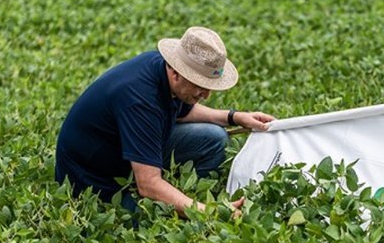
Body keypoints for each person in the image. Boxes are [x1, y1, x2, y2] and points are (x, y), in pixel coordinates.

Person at [55, 26, 274, 217]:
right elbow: (148, 185)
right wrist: (210, 213)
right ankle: (187, 204)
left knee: (214, 137)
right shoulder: (140, 100)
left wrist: (234, 117)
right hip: (92, 180)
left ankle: (186, 197)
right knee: (152, 217)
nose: (205, 94)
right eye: (200, 85)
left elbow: (182, 112)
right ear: (176, 72)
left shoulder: (161, 68)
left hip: (124, 151)